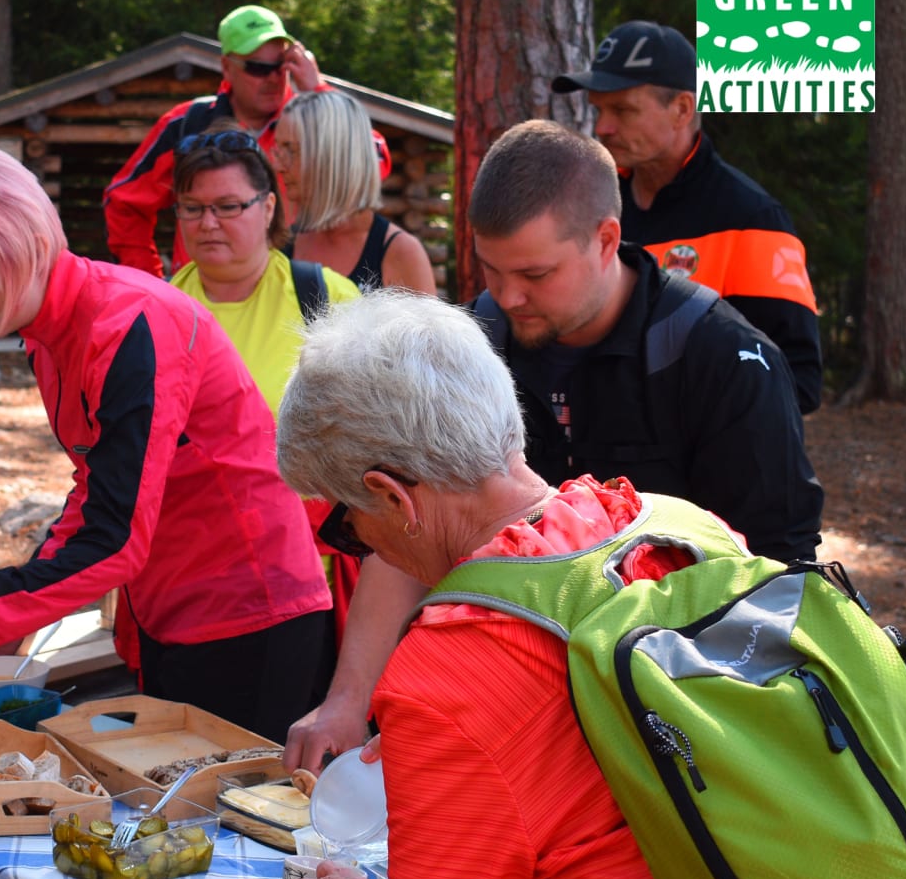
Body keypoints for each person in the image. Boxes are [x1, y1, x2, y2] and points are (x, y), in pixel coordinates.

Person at [271, 289, 906, 879]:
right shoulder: (674, 523)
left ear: (392, 496)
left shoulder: (454, 669)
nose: (360, 547)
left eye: (347, 526)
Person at [283, 119, 824, 774]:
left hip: (682, 727)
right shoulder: (482, 335)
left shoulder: (722, 362)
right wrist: (347, 700)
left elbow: (774, 582)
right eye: (491, 269)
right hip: (525, 708)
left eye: (535, 273)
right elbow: (408, 523)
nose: (510, 296)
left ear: (606, 240)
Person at [0, 147, 333, 741]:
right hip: (168, 610)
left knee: (231, 819)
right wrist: (6, 615)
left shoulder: (132, 324)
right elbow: (96, 488)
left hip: (249, 615)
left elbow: (115, 540)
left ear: (26, 243)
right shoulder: (49, 333)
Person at [552, 20, 823, 413]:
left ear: (682, 109)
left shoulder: (751, 218)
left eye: (623, 110)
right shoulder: (589, 206)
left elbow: (796, 381)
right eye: (598, 109)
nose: (602, 128)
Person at [165, 127, 366, 634]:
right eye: (192, 207)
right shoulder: (156, 310)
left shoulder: (323, 299)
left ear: (269, 207)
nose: (208, 223)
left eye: (228, 206)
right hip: (189, 578)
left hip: (302, 582)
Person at [105, 4, 381, 277]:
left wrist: (318, 92)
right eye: (258, 68)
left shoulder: (313, 123)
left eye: (281, 66)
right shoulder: (187, 123)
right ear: (226, 67)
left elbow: (373, 163)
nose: (273, 78)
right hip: (204, 298)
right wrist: (147, 281)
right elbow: (124, 203)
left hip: (293, 294)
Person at [275, 89, 436, 296]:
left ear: (333, 155)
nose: (279, 165)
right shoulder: (283, 243)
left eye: (291, 150)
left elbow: (429, 330)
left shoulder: (400, 253)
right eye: (278, 150)